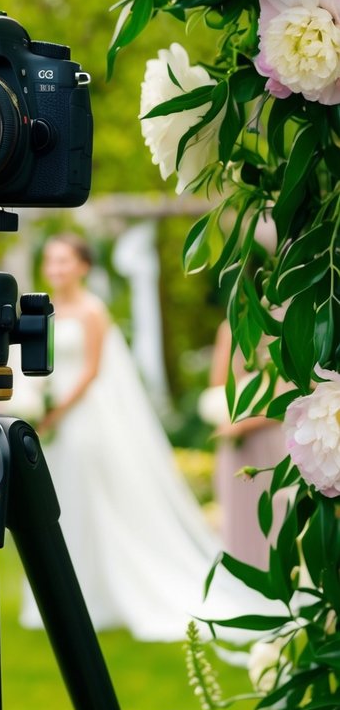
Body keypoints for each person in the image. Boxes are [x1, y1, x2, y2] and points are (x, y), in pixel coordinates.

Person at [17, 233, 272, 642]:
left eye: (64, 261)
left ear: (83, 266)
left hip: (81, 418)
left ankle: (99, 596)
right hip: (52, 420)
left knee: (86, 500)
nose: (56, 269)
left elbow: (91, 371)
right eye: (51, 261)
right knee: (59, 501)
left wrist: (54, 412)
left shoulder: (92, 311)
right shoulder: (39, 310)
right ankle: (64, 593)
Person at [207, 319, 289, 569]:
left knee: (276, 515)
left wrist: (245, 422)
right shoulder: (231, 327)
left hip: (272, 438)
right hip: (238, 443)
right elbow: (218, 387)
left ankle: (279, 582)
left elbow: (293, 393)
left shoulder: (292, 321)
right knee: (239, 517)